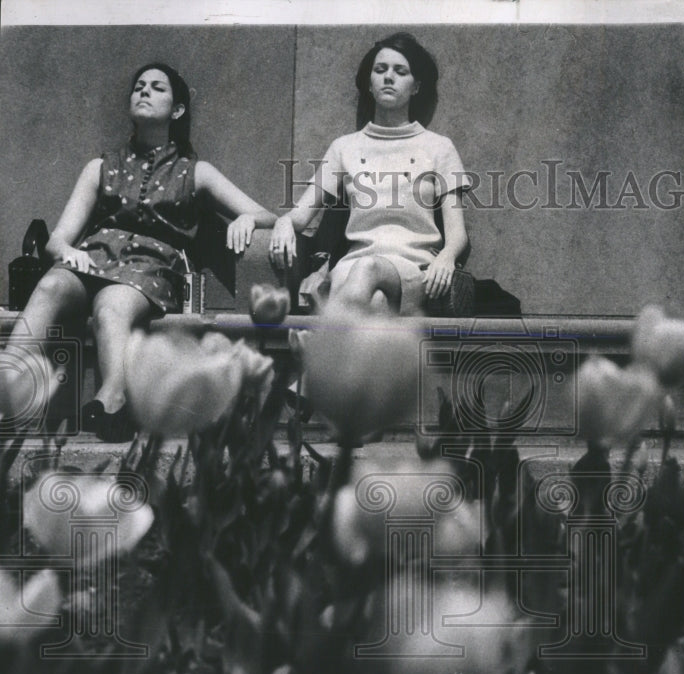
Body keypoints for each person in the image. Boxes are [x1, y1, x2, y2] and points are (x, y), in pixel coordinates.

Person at [1, 63, 276, 441]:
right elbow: (57, 239)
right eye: (139, 87)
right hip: (91, 260)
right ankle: (8, 388)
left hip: (151, 270)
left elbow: (266, 215)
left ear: (177, 110)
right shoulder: (100, 167)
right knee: (51, 286)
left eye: (157, 88)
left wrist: (248, 221)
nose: (144, 91)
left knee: (112, 305)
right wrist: (68, 251)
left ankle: (113, 399)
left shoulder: (195, 172)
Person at [269, 32, 470, 316]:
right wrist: (283, 223)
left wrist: (447, 258)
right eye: (380, 70)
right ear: (370, 84)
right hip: (351, 268)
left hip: (413, 268)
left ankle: (316, 351)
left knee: (368, 269)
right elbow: (300, 216)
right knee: (373, 303)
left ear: (416, 87)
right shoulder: (344, 148)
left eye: (401, 72)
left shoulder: (439, 148)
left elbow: (457, 234)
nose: (389, 77)